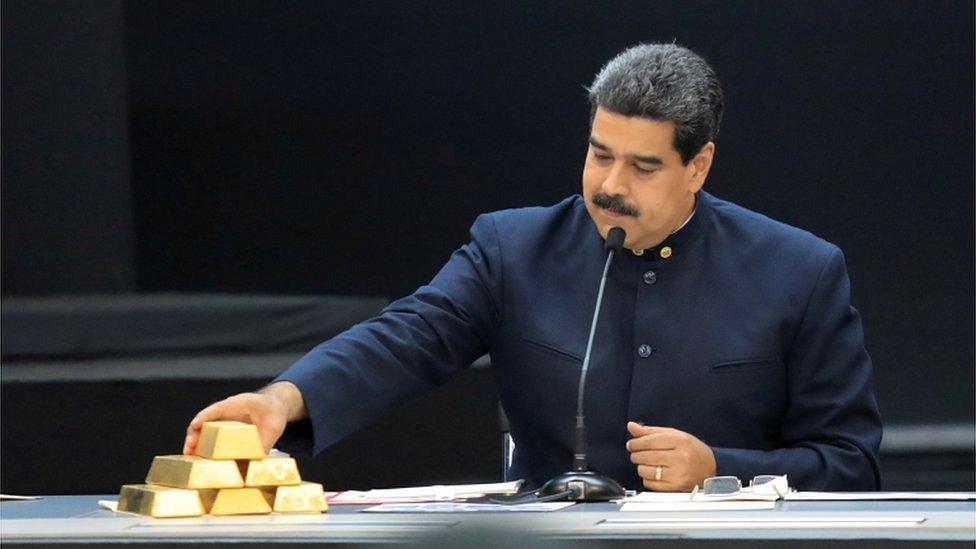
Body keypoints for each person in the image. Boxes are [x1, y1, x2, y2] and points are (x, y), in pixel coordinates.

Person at [184, 43, 882, 492]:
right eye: (599, 152)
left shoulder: (800, 271)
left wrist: (721, 467)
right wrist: (283, 398)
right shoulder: (513, 249)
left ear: (698, 165)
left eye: (643, 167)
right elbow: (406, 338)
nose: (610, 183)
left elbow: (852, 462)